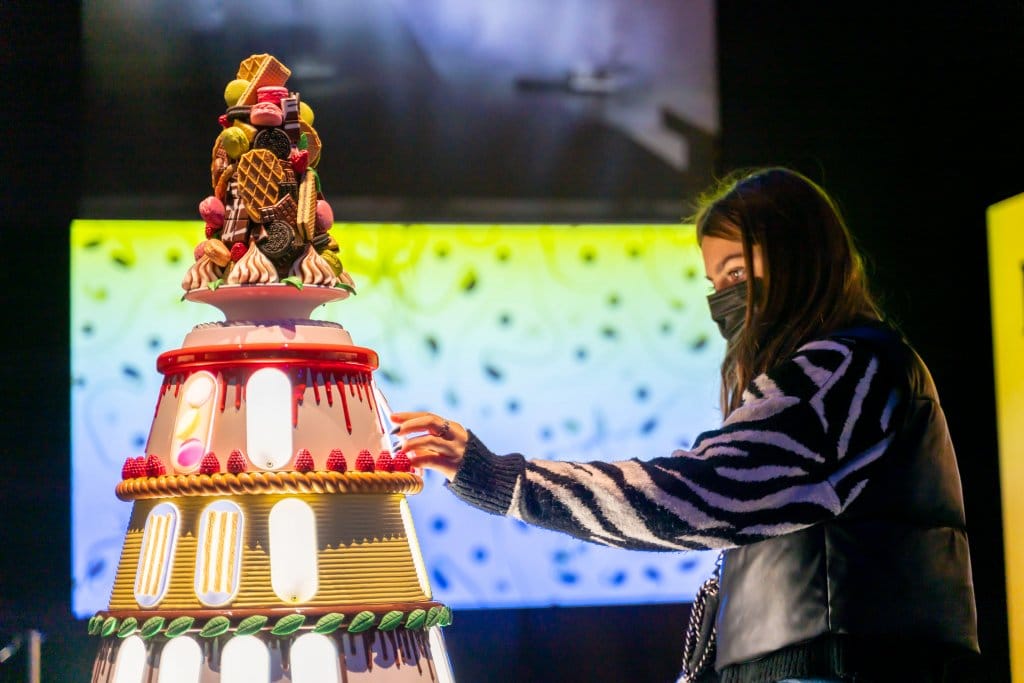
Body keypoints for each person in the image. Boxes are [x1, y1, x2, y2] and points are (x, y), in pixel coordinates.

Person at [391, 167, 982, 682]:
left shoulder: (848, 367)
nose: (725, 298)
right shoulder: (846, 367)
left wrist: (501, 479)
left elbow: (696, 494)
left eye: (736, 273)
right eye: (714, 283)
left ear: (798, 259)